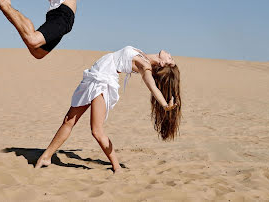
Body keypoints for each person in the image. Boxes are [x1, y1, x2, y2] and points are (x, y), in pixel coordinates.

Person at [35, 46, 182, 173]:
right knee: (69, 120)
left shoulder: (145, 66)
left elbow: (152, 86)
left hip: (102, 82)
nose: (170, 54)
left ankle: (116, 167)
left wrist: (164, 104)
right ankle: (46, 157)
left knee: (96, 131)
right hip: (94, 77)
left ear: (162, 63)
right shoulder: (143, 55)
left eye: (170, 59)